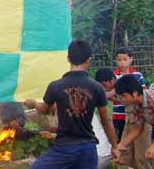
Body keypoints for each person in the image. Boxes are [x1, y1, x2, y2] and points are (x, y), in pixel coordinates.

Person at [24, 40, 119, 169]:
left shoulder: (56, 86)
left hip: (63, 148)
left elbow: (44, 109)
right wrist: (114, 146)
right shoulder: (96, 87)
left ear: (68, 58)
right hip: (87, 149)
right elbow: (106, 120)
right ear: (88, 59)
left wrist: (34, 103)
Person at [113, 47, 150, 169]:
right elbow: (111, 95)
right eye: (119, 60)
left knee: (140, 145)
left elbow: (143, 94)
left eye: (125, 59)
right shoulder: (114, 76)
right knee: (124, 144)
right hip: (120, 115)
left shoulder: (137, 75)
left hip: (138, 113)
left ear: (131, 59)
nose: (122, 62)